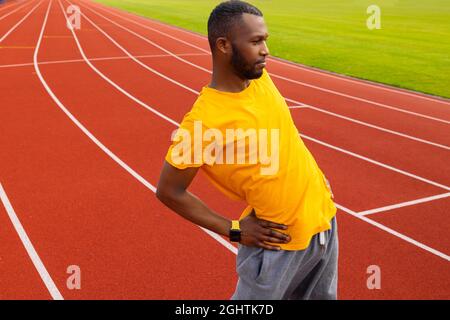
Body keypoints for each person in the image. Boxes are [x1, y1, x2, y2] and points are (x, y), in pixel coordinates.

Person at [156, 0, 338, 300]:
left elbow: (285, 132)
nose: (266, 50)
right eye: (256, 42)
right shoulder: (202, 123)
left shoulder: (260, 80)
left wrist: (316, 178)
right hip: (278, 244)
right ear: (224, 45)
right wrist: (234, 230)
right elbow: (168, 190)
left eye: (265, 39)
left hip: (324, 224)